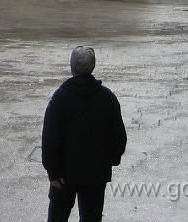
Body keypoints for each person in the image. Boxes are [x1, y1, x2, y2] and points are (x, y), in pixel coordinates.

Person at [42, 46, 127, 222]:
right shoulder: (107, 98)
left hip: (64, 176)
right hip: (96, 175)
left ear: (72, 67)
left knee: (58, 217)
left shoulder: (60, 98)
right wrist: (110, 161)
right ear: (93, 66)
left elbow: (50, 139)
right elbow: (119, 137)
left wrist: (53, 172)